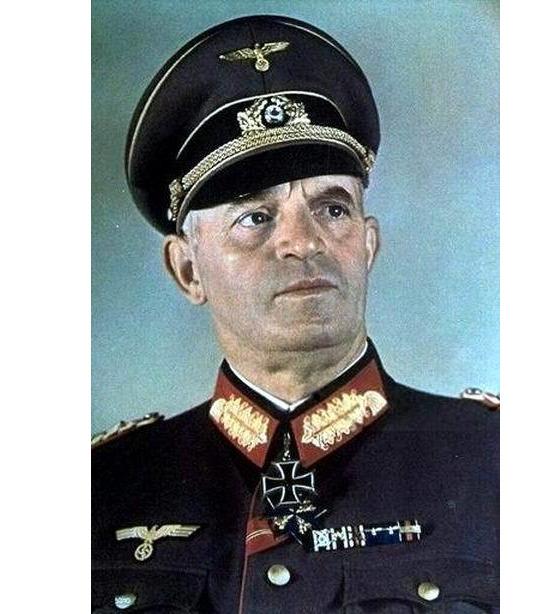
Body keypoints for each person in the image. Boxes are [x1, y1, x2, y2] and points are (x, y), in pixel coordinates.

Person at [92, 15, 499, 613]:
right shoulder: (100, 489)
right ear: (188, 270)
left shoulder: (500, 462)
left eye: (332, 209)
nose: (303, 242)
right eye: (254, 218)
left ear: (368, 244)